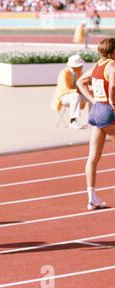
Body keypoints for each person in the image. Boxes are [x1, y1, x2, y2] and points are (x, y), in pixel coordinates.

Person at [76, 38, 115, 210]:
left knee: (93, 157)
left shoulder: (98, 65)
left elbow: (80, 82)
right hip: (108, 111)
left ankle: (92, 198)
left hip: (96, 110)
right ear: (113, 52)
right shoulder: (112, 66)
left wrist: (93, 99)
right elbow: (113, 87)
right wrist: (113, 103)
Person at [50, 54, 87, 129]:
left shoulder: (79, 72)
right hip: (63, 97)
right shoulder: (64, 73)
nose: (82, 67)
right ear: (74, 66)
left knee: (91, 96)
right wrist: (79, 91)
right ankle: (73, 122)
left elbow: (83, 84)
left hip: (76, 96)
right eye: (80, 65)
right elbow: (65, 89)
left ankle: (92, 121)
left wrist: (87, 91)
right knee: (76, 96)